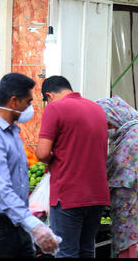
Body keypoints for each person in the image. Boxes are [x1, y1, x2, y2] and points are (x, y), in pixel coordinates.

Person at [0, 72, 61, 258]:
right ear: (13, 101)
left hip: (16, 225)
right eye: (27, 102)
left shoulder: (12, 133)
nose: (30, 108)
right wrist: (34, 226)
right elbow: (3, 189)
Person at [36, 75, 110, 258]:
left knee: (66, 253)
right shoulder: (97, 108)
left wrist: (49, 160)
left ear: (49, 96)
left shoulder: (55, 108)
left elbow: (43, 153)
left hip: (69, 194)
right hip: (97, 195)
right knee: (87, 250)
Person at [96, 96, 138, 258]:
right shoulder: (124, 135)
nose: (105, 128)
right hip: (126, 211)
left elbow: (123, 172)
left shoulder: (133, 137)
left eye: (105, 122)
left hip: (132, 211)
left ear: (114, 115)